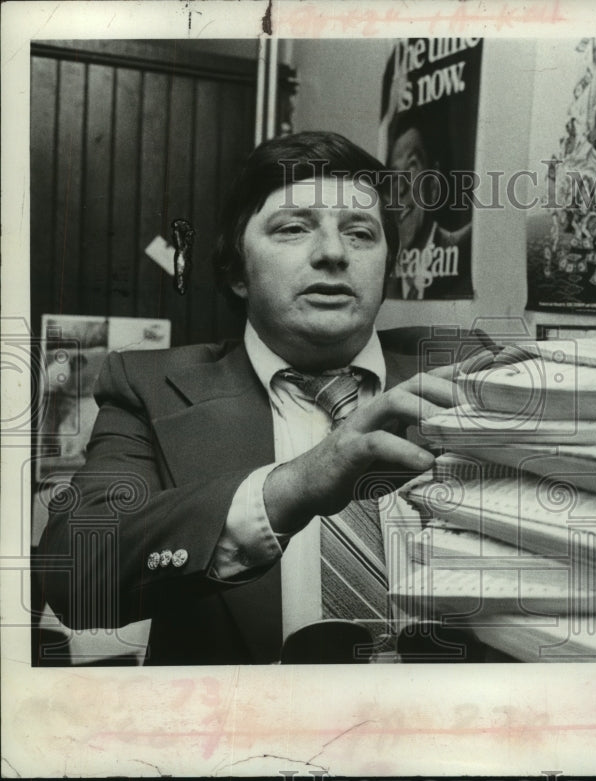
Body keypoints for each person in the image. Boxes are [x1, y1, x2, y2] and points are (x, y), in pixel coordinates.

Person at [36, 131, 494, 665]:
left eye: (362, 233)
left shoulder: (462, 367)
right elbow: (77, 574)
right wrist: (292, 487)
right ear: (235, 272)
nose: (332, 253)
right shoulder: (150, 384)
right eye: (293, 229)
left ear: (387, 268)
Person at [384, 111, 472, 300]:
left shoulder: (463, 255)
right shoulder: (386, 282)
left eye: (412, 168)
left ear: (433, 185)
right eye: (393, 174)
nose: (399, 188)